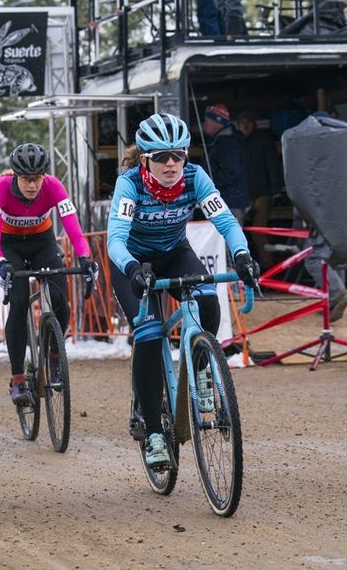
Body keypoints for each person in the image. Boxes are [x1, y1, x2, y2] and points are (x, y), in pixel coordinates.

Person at [106, 113, 260, 469]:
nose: (171, 163)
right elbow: (115, 239)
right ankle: (156, 432)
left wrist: (242, 255)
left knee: (206, 296)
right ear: (145, 159)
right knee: (148, 332)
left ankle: (203, 369)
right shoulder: (130, 184)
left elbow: (225, 222)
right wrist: (131, 269)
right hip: (132, 261)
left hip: (174, 253)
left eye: (178, 154)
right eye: (161, 157)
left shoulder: (195, 177)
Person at [0, 143, 98, 406]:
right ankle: (17, 379)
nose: (33, 185)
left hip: (42, 242)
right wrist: (1, 262)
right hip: (9, 245)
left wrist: (85, 256)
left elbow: (74, 229)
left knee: (59, 298)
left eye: (37, 179)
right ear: (15, 176)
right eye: (26, 179)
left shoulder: (54, 186)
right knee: (20, 300)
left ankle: (54, 356)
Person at [235, 109, 284, 270]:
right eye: (242, 122)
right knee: (238, 234)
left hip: (262, 193)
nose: (246, 125)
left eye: (249, 122)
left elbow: (272, 166)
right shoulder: (234, 142)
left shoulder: (264, 139)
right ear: (238, 125)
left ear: (255, 124)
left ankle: (268, 271)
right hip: (242, 195)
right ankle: (246, 271)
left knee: (258, 232)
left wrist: (276, 191)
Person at [201, 104, 250, 221]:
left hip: (228, 203)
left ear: (217, 121)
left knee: (228, 238)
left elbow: (231, 172)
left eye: (208, 120)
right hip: (224, 202)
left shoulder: (227, 143)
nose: (205, 123)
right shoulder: (220, 141)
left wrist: (209, 184)